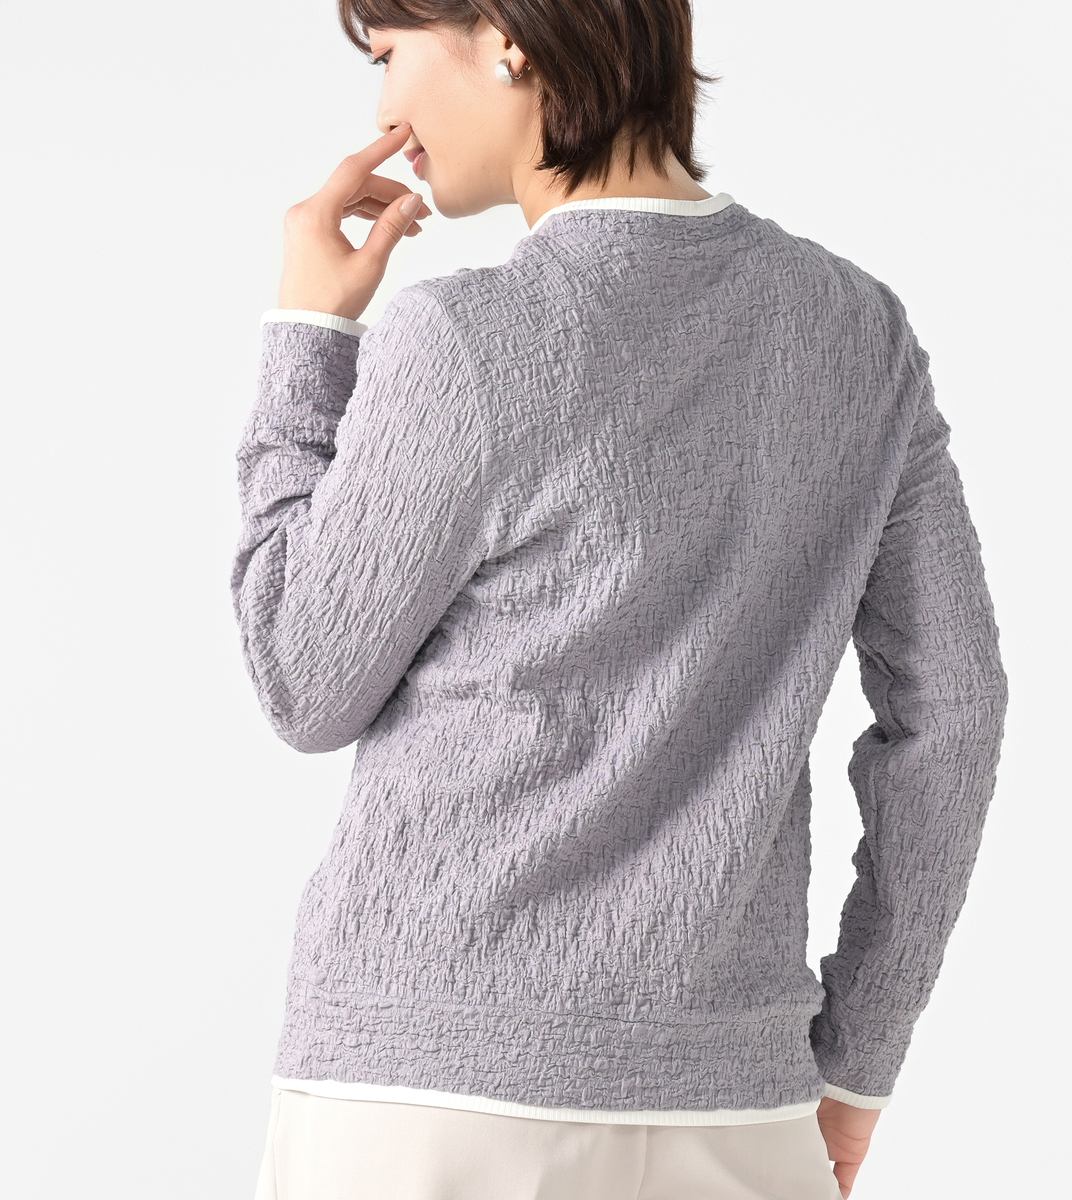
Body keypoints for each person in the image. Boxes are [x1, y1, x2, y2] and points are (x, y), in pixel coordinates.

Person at [230, 0, 1009, 1197]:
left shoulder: (466, 337)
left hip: (428, 1094)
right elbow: (955, 711)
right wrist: (858, 1062)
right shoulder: (858, 332)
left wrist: (307, 336)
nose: (384, 109)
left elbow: (304, 679)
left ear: (508, 35)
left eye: (388, 56)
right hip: (735, 1106)